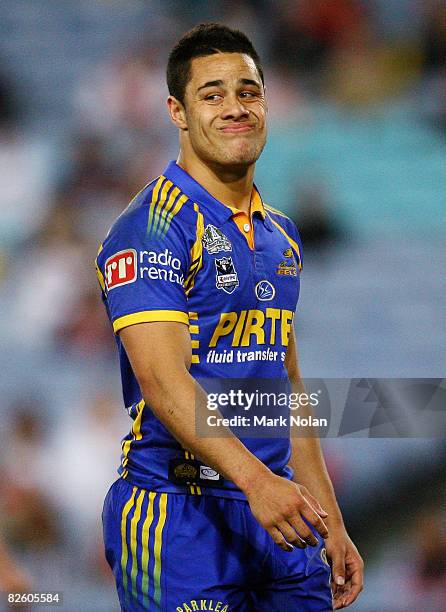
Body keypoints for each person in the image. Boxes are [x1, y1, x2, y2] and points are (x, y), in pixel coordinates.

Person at [96, 23, 363, 611]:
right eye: (212, 95)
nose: (235, 108)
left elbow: (286, 388)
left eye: (248, 92)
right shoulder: (150, 229)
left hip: (283, 518)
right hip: (177, 516)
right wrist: (258, 483)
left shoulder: (283, 235)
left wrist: (331, 519)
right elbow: (164, 384)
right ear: (177, 112)